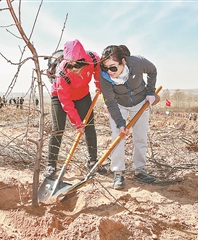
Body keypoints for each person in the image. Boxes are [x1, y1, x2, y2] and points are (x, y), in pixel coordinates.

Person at [44, 39, 107, 179]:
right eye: (70, 65)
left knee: (90, 126)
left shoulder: (93, 59)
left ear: (84, 60)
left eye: (78, 64)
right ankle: (51, 165)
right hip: (60, 97)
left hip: (82, 95)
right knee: (57, 129)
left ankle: (92, 161)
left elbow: (98, 70)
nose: (74, 69)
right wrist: (77, 123)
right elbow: (66, 102)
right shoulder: (61, 74)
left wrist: (98, 84)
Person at [99, 45, 159, 190]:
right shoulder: (104, 77)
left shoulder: (137, 63)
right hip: (119, 104)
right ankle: (118, 172)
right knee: (117, 136)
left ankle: (139, 170)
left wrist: (150, 92)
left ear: (123, 62)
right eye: (105, 68)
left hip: (140, 103)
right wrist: (120, 124)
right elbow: (110, 102)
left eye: (113, 68)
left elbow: (152, 70)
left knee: (140, 137)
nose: (109, 72)